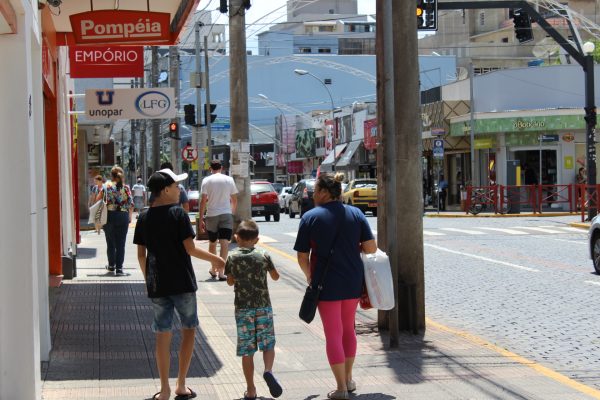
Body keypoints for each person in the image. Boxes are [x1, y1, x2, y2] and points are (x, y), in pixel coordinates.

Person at [133, 168, 226, 400]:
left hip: (158, 285)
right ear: (165, 190)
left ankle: (164, 389)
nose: (179, 190)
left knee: (162, 335)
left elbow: (141, 255)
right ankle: (181, 384)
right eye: (176, 186)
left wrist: (149, 280)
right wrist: (218, 259)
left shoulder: (143, 217)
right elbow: (191, 249)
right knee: (188, 330)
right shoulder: (178, 214)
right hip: (183, 283)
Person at [294, 172, 377, 400]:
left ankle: (340, 388)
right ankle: (349, 380)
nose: (312, 195)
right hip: (352, 282)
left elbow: (302, 256)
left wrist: (310, 277)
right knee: (348, 329)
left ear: (323, 192)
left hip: (325, 284)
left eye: (314, 191)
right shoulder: (356, 214)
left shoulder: (310, 217)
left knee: (333, 334)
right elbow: (371, 248)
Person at [224, 220, 283, 400]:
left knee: (247, 350)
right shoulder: (263, 254)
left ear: (237, 238)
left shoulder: (232, 256)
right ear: (256, 239)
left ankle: (251, 390)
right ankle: (268, 370)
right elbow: (275, 277)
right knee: (268, 344)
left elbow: (230, 281)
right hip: (263, 307)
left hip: (243, 309)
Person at [199, 160, 239, 280]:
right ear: (221, 168)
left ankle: (213, 269)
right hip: (226, 214)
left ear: (210, 168)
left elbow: (203, 201)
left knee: (212, 243)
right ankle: (222, 272)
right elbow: (234, 199)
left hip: (211, 215)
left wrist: (201, 218)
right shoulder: (229, 180)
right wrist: (231, 212)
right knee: (224, 244)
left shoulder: (206, 181)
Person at [97, 166, 133, 276]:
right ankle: (120, 269)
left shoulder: (106, 187)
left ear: (111, 176)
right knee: (121, 244)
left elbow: (98, 200)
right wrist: (130, 217)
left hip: (109, 216)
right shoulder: (126, 188)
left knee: (110, 242)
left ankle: (111, 265)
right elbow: (131, 204)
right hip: (123, 216)